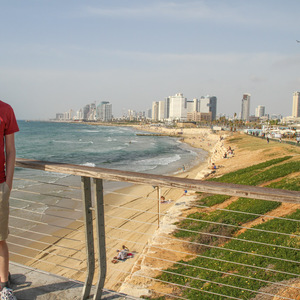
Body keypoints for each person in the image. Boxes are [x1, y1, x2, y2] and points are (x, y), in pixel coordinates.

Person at [0, 100, 19, 300]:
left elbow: (11, 151)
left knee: (0, 238)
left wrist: (8, 184)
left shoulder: (6, 110)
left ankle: (4, 286)